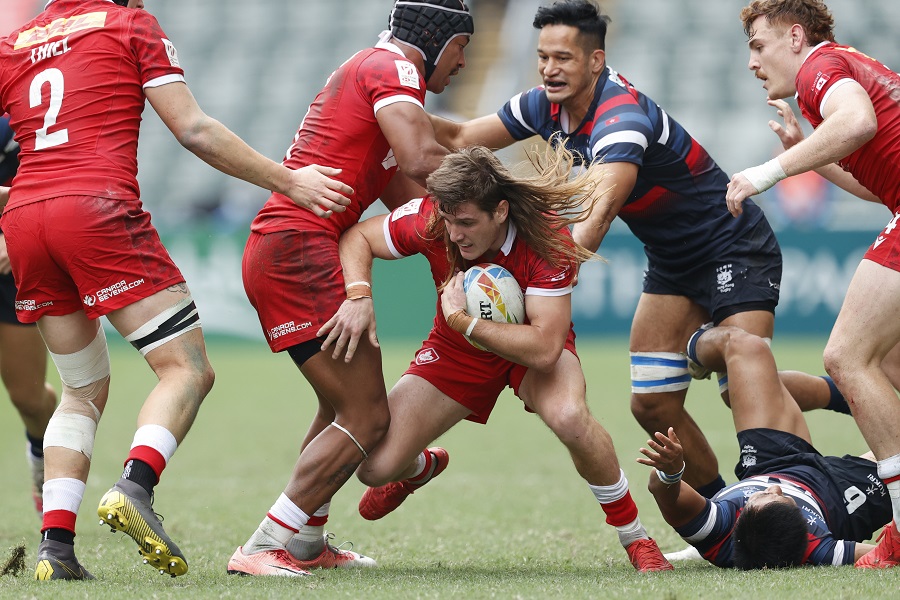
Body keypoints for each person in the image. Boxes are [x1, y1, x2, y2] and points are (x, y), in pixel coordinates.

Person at [0, 0, 353, 581]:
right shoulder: (130, 25)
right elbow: (194, 129)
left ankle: (56, 550)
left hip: (25, 219)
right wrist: (289, 180)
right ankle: (134, 486)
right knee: (186, 368)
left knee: (79, 391)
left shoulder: (15, 43)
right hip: (95, 210)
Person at [428, 0, 787, 500]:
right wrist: (389, 110)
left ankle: (777, 501)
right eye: (543, 57)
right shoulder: (542, 104)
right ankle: (722, 508)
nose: (549, 69)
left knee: (742, 387)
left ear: (595, 61)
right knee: (653, 405)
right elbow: (461, 135)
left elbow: (592, 227)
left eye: (564, 58)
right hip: (673, 261)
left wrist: (536, 286)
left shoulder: (621, 120)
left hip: (733, 244)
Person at [322, 144, 674, 572]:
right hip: (458, 352)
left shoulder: (547, 239)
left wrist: (464, 321)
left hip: (528, 345)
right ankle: (419, 467)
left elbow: (545, 349)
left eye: (467, 223)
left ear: (501, 211)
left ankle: (636, 538)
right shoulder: (433, 217)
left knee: (569, 417)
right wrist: (359, 294)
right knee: (374, 469)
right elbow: (358, 237)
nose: (454, 234)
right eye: (450, 221)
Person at [228, 0, 473, 577]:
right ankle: (263, 544)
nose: (462, 63)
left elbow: (412, 201)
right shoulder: (395, 67)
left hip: (287, 246)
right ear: (437, 38)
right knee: (367, 417)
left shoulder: (369, 78)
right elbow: (423, 158)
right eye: (462, 47)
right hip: (298, 249)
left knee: (340, 406)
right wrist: (504, 192)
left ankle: (306, 543)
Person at [727, 0, 900, 568]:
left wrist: (766, 173)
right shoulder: (839, 67)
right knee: (887, 363)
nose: (752, 62)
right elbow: (878, 182)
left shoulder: (818, 68)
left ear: (795, 37)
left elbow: (858, 123)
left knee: (846, 356)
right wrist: (805, 156)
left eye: (759, 45)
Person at [637, 323, 892, 569]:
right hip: (840, 496)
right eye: (783, 499)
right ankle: (869, 397)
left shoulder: (716, 526)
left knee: (746, 347)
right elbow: (885, 555)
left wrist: (671, 472)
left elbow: (662, 492)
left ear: (740, 519)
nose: (775, 488)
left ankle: (694, 345)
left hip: (771, 461)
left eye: (763, 497)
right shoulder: (817, 546)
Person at [0, 115, 57, 516]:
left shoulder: (20, 113)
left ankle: (42, 456)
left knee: (29, 398)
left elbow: (53, 182)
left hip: (9, 265)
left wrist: (12, 235)